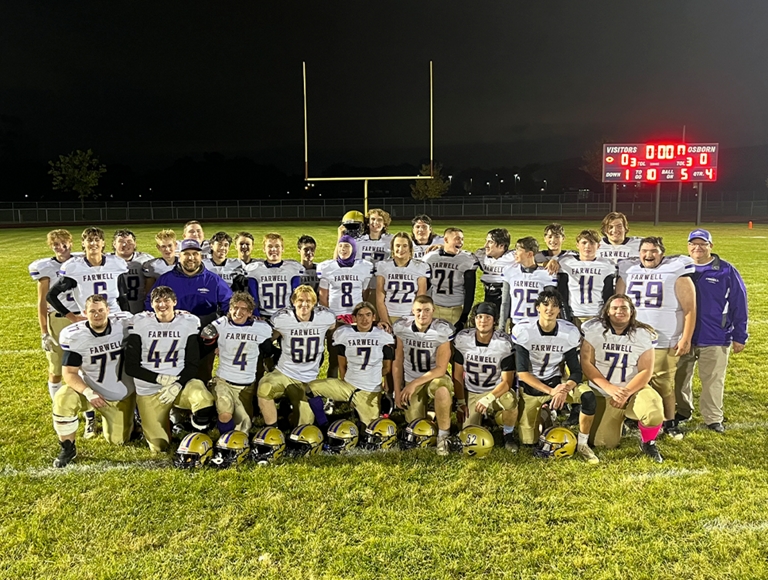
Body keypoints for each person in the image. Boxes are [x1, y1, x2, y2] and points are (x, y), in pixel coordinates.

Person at [616, 236, 696, 439]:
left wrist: (686, 338)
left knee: (664, 383)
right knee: (631, 379)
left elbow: (690, 309)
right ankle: (635, 417)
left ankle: (669, 422)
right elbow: (617, 303)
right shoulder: (629, 270)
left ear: (662, 253)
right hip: (633, 339)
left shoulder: (677, 271)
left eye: (653, 251)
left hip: (664, 338)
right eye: (644, 250)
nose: (648, 255)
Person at [124, 286, 215, 453]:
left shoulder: (188, 322)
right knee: (159, 446)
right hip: (149, 389)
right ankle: (170, 423)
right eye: (157, 301)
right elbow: (131, 366)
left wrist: (178, 384)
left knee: (203, 398)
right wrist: (159, 378)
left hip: (180, 383)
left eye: (166, 300)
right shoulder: (140, 322)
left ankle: (198, 439)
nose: (162, 304)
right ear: (151, 304)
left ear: (175, 302)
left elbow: (192, 363)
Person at [674, 229, 748, 433]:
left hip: (715, 335)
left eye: (702, 244)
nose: (697, 247)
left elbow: (739, 303)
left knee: (713, 380)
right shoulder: (678, 268)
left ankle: (713, 418)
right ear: (688, 246)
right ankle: (682, 411)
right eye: (693, 244)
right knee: (679, 377)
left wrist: (739, 335)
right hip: (683, 336)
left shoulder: (725, 270)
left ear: (710, 246)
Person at [513, 289, 599, 464]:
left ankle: (582, 443)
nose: (549, 309)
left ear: (560, 310)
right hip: (532, 387)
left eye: (554, 306)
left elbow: (576, 371)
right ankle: (546, 413)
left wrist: (564, 388)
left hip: (557, 382)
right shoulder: (525, 331)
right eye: (545, 304)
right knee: (528, 441)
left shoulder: (568, 332)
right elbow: (522, 373)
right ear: (537, 307)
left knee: (588, 396)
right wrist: (552, 392)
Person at [51, 295, 135, 467]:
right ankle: (68, 448)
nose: (97, 315)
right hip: (90, 388)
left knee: (118, 440)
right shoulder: (76, 336)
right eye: (92, 311)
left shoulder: (125, 324)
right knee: (63, 398)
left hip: (119, 396)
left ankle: (126, 420)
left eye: (101, 310)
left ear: (108, 311)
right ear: (84, 313)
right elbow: (69, 373)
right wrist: (88, 392)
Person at [580, 294, 665, 462]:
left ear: (632, 311)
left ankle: (648, 442)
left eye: (624, 307)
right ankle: (621, 423)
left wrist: (626, 392)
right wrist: (610, 389)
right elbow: (586, 364)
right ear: (607, 312)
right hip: (603, 392)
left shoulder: (643, 334)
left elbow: (646, 371)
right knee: (603, 443)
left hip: (633, 389)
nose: (620, 311)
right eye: (615, 308)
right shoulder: (594, 330)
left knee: (654, 411)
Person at [256, 285, 336, 428]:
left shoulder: (325, 317)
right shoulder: (283, 318)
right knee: (264, 388)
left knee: (304, 424)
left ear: (314, 303)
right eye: (300, 300)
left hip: (308, 379)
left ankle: (291, 411)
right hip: (284, 373)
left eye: (308, 301)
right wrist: (272, 353)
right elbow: (267, 340)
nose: (304, 304)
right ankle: (272, 428)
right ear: (293, 301)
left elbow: (333, 329)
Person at [308, 301, 395, 428]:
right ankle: (323, 423)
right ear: (354, 318)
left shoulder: (383, 335)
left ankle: (361, 417)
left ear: (374, 317)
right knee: (310, 388)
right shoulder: (344, 333)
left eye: (368, 315)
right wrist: (345, 381)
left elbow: (387, 368)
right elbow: (342, 365)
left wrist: (371, 377)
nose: (364, 319)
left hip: (369, 391)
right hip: (347, 386)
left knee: (370, 430)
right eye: (360, 315)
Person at [200, 292, 273, 434]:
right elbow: (205, 341)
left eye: (243, 309)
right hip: (224, 381)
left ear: (250, 312)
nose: (238, 312)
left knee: (244, 428)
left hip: (246, 386)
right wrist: (214, 345)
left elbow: (268, 350)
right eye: (235, 307)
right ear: (230, 309)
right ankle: (223, 440)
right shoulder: (221, 324)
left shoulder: (260, 328)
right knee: (225, 413)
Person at [392, 295, 456, 455]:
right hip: (411, 378)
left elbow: (441, 369)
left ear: (433, 311)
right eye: (419, 310)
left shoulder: (441, 331)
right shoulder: (402, 328)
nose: (423, 314)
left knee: (442, 389)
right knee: (416, 428)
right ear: (413, 311)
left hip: (433, 378)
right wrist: (397, 391)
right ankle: (431, 415)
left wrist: (413, 384)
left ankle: (443, 437)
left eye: (427, 310)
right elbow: (397, 361)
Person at [452, 302, 518, 451]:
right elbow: (457, 375)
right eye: (480, 317)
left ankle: (508, 434)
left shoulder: (502, 344)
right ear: (474, 319)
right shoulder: (463, 340)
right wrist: (461, 402)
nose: (483, 320)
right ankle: (486, 419)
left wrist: (488, 398)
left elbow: (507, 382)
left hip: (494, 391)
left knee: (509, 399)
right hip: (472, 391)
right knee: (468, 434)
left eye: (488, 317)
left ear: (494, 320)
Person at [29, 229, 79, 400]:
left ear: (71, 242)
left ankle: (89, 412)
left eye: (64, 242)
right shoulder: (46, 267)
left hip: (81, 318)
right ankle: (58, 408)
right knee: (56, 367)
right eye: (56, 244)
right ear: (51, 246)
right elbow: (42, 301)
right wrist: (44, 332)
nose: (61, 247)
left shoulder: (80, 262)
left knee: (86, 367)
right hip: (58, 319)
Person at [147, 239, 232, 328]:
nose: (191, 258)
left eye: (195, 254)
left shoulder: (214, 280)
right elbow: (151, 302)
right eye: (186, 254)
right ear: (179, 256)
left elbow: (229, 304)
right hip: (174, 330)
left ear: (201, 256)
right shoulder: (166, 280)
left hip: (205, 330)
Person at [47, 226, 130, 318]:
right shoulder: (74, 267)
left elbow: (123, 296)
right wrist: (72, 317)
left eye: (97, 239)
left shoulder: (115, 263)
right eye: (89, 240)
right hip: (89, 319)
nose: (93, 243)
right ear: (83, 243)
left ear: (103, 243)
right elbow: (51, 296)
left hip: (114, 316)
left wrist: (126, 315)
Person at [557, 229, 616, 328]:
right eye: (584, 242)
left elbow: (608, 294)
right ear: (577, 245)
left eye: (592, 243)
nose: (587, 246)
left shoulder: (607, 265)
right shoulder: (566, 262)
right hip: (574, 315)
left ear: (598, 246)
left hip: (597, 316)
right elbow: (562, 292)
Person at [422, 227, 478, 329]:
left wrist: (464, 317)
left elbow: (470, 291)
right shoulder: (430, 258)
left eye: (462, 239)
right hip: (435, 308)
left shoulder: (467, 259)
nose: (460, 242)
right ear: (446, 240)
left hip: (456, 309)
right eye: (457, 238)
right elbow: (425, 285)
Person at [500, 237, 557, 330]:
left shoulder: (545, 274)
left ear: (530, 254)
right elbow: (505, 303)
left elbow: (550, 304)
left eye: (518, 250)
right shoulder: (510, 271)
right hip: (516, 324)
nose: (515, 253)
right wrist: (501, 328)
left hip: (538, 325)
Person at [246, 233, 304, 320]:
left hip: (287, 316)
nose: (273, 249)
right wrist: (257, 315)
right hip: (263, 316)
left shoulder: (292, 268)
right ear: (264, 249)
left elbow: (296, 297)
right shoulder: (255, 269)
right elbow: (253, 297)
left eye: (277, 246)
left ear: (282, 249)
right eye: (270, 246)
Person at [375, 232, 429, 325]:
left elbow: (420, 297)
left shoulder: (420, 267)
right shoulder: (383, 266)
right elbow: (380, 297)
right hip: (389, 314)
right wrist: (385, 320)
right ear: (392, 248)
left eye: (404, 246)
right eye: (397, 245)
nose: (400, 249)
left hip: (410, 316)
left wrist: (413, 318)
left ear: (410, 248)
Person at [112, 229, 154, 314]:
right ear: (114, 244)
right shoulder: (107, 261)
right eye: (120, 241)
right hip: (114, 310)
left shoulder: (146, 259)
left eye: (129, 241)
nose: (125, 244)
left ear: (135, 244)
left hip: (140, 308)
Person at [475, 228, 516, 309]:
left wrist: (549, 263)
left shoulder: (513, 257)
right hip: (488, 297)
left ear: (502, 246)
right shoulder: (481, 255)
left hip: (508, 301)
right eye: (486, 241)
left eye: (490, 242)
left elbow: (534, 257)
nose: (485, 245)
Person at [143, 229, 178, 295]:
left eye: (170, 245)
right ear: (158, 247)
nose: (167, 249)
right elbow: (149, 292)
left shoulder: (184, 263)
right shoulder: (152, 265)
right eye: (163, 246)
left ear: (175, 245)